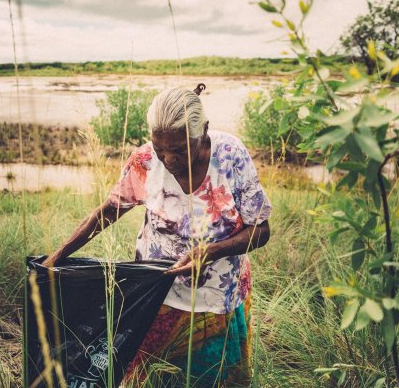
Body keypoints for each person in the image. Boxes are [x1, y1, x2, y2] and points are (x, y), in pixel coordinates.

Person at [42, 85, 272, 387]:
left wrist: (212, 251)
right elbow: (108, 212)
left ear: (203, 131)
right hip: (157, 296)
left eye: (179, 150)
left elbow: (262, 230)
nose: (168, 159)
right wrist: (57, 257)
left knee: (210, 379)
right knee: (150, 378)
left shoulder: (230, 157)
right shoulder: (146, 161)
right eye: (160, 147)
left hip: (217, 299)